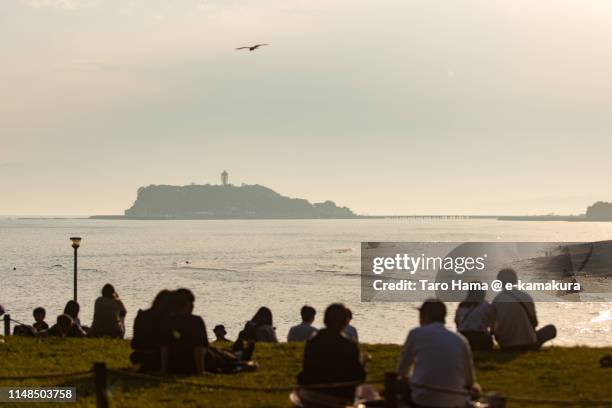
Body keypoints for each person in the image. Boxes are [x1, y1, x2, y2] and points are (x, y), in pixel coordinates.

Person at [398, 299, 479, 408]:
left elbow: (402, 371)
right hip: (456, 402)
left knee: (399, 385)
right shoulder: (460, 340)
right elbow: (469, 381)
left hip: (423, 401)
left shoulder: (415, 334)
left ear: (426, 316)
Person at [297, 303, 366, 402]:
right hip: (340, 396)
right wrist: (363, 364)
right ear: (345, 322)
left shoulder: (313, 341)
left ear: (325, 320)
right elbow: (359, 377)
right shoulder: (349, 346)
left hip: (313, 393)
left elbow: (306, 368)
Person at [492, 268, 557, 350]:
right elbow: (535, 322)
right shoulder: (526, 297)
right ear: (515, 280)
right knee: (551, 328)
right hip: (529, 343)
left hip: (506, 345)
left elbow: (493, 326)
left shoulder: (497, 300)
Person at [160, 288, 209, 374]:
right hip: (191, 364)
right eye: (191, 303)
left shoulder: (167, 320)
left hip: (174, 365)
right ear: (187, 305)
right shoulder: (196, 321)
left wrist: (164, 369)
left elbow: (165, 347)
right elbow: (199, 347)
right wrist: (201, 371)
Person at [130, 289, 171, 371]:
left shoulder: (142, 315)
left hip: (137, 355)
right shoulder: (166, 319)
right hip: (156, 355)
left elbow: (135, 341)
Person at [454, 285, 494, 350]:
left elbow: (457, 323)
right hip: (480, 338)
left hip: (463, 338)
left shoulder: (461, 306)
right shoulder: (486, 306)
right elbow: (492, 324)